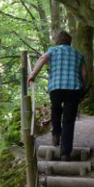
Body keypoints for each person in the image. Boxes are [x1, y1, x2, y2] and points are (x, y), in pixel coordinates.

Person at [27, 30, 88, 160]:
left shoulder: (52, 51)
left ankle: (55, 135)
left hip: (56, 87)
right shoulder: (78, 54)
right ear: (69, 41)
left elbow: (43, 58)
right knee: (69, 119)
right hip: (73, 88)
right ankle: (65, 153)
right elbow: (84, 74)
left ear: (58, 40)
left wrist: (33, 75)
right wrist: (82, 87)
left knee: (55, 108)